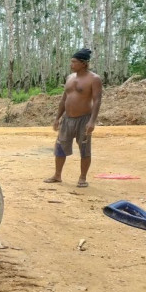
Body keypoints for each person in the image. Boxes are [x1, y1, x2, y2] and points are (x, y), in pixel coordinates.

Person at [44, 48, 102, 188]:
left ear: (83, 63)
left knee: (84, 149)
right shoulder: (70, 78)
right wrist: (57, 118)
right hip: (67, 119)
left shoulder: (94, 79)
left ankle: (82, 178)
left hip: (84, 119)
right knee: (60, 147)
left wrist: (92, 121)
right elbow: (64, 99)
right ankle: (57, 175)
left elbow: (97, 100)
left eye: (74, 62)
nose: (71, 64)